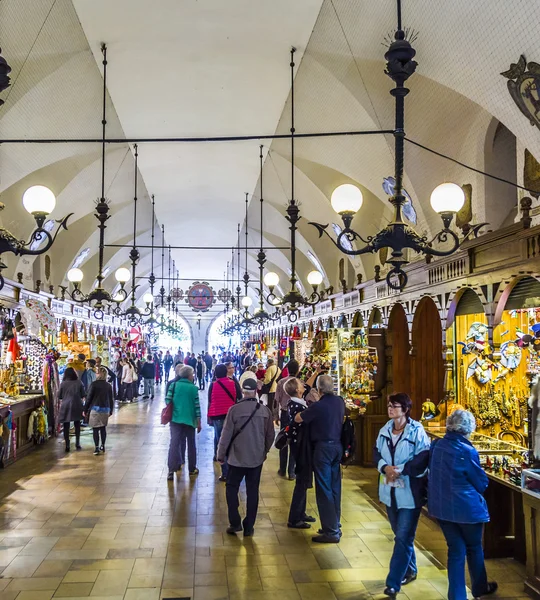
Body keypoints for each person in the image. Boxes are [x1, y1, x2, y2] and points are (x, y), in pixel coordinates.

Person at [428, 410, 497, 600]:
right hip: (467, 510)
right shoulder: (467, 451)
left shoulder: (437, 445)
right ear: (468, 429)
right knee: (474, 547)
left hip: (442, 508)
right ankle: (479, 588)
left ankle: (457, 596)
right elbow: (481, 483)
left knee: (456, 551)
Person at [373, 393, 431, 600]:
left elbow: (423, 457)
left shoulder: (417, 431)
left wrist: (402, 469)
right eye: (389, 406)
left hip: (410, 493)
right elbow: (376, 453)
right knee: (401, 535)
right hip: (390, 492)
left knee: (403, 537)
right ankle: (411, 569)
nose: (390, 409)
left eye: (394, 406)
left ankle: (393, 583)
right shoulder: (385, 430)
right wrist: (384, 467)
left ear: (405, 409)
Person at [217, 378, 274, 537]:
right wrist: (264, 451)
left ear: (243, 391)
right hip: (256, 458)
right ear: (256, 391)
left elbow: (226, 435)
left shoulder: (234, 410)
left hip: (236, 457)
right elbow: (270, 436)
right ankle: (249, 526)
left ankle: (235, 522)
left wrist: (220, 454)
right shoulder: (265, 411)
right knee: (252, 490)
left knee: (232, 487)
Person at [294, 374, 344, 543]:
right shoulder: (339, 402)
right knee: (335, 487)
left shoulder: (318, 406)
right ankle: (335, 523)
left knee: (324, 489)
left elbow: (299, 418)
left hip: (323, 449)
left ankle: (331, 531)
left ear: (319, 389)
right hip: (337, 447)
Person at [275, 359, 320, 479]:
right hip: (295, 418)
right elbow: (307, 387)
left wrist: (276, 414)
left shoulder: (281, 382)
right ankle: (291, 471)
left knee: (285, 439)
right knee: (294, 442)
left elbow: (277, 400)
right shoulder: (297, 384)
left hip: (285, 413)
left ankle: (282, 468)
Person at [284, 377, 316, 529]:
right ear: (297, 390)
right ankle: (294, 518)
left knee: (304, 480)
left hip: (302, 445)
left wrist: (316, 372)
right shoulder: (296, 406)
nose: (303, 384)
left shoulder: (298, 400)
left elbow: (308, 386)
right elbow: (302, 420)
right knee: (301, 480)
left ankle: (301, 513)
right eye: (299, 383)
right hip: (301, 446)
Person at [166, 365, 201, 480]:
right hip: (190, 420)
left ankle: (171, 470)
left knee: (174, 443)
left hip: (175, 419)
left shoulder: (174, 385)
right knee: (191, 444)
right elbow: (197, 407)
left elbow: (168, 400)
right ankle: (192, 468)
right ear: (189, 376)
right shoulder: (194, 388)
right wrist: (199, 421)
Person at [208, 364, 237, 482]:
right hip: (230, 414)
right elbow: (235, 398)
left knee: (221, 441)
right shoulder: (232, 383)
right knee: (230, 440)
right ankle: (233, 468)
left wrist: (208, 416)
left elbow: (210, 401)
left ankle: (225, 472)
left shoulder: (213, 385)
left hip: (217, 415)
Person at [84, 366, 114, 455]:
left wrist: (85, 409)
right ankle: (103, 445)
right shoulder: (108, 385)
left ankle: (96, 447)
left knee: (95, 429)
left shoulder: (94, 384)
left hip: (95, 409)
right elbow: (111, 399)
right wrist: (111, 410)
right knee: (103, 428)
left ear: (99, 374)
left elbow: (89, 398)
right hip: (105, 409)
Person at [58, 367, 85, 452]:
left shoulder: (63, 383)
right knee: (77, 424)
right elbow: (83, 394)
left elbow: (59, 396)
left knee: (66, 425)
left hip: (66, 405)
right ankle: (77, 443)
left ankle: (67, 444)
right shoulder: (79, 382)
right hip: (77, 404)